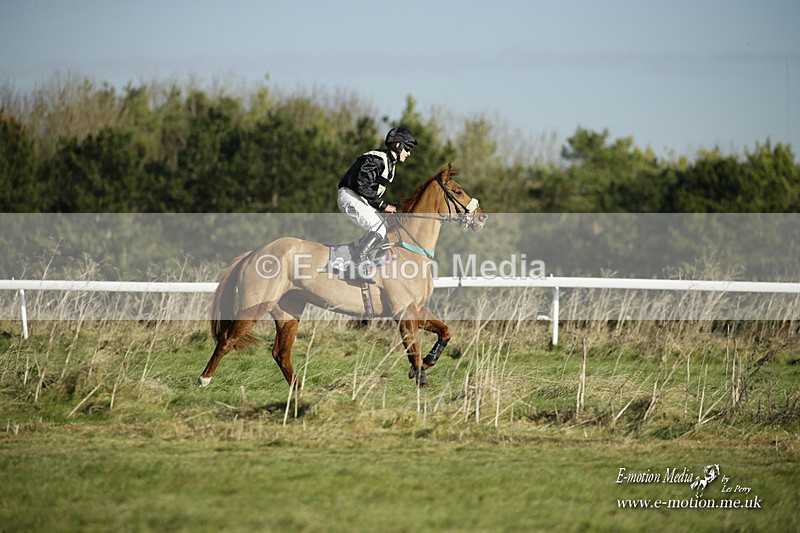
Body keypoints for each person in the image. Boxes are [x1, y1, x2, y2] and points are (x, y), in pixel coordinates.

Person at [337, 127, 417, 280]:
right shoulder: (377, 159)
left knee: (384, 228)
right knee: (378, 229)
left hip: (358, 198)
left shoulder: (390, 163)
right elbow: (361, 185)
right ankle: (355, 266)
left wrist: (384, 206)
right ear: (398, 145)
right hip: (349, 196)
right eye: (407, 149)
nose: (409, 153)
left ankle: (364, 260)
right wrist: (383, 206)